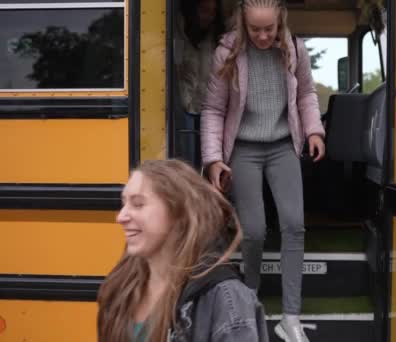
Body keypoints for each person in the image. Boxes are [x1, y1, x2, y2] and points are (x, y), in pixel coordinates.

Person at [200, 1, 326, 341]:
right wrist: (213, 159)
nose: (263, 35)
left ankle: (290, 318)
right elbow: (213, 110)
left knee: (294, 224)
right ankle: (250, 301)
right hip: (244, 149)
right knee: (253, 231)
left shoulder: (294, 50)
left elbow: (307, 95)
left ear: (280, 20)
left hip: (283, 145)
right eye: (255, 29)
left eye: (269, 28)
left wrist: (314, 130)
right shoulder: (227, 54)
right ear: (244, 23)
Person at [97, 159, 269, 342]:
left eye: (138, 204)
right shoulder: (121, 285)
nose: (121, 217)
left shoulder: (224, 297)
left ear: (180, 215)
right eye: (124, 203)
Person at [174, 0, 225, 166]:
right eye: (204, 10)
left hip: (209, 106)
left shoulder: (218, 38)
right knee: (187, 159)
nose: (209, 16)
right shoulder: (176, 33)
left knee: (209, 161)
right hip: (183, 106)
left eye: (213, 12)